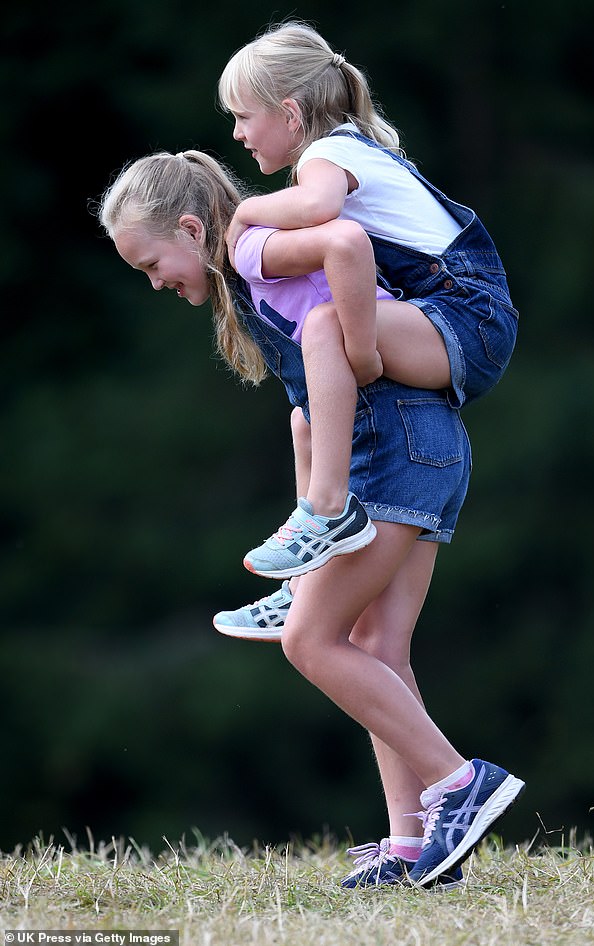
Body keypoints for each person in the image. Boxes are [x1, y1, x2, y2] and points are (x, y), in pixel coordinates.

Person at [98, 149, 525, 890]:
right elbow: (307, 420)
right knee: (377, 646)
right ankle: (412, 844)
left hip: (394, 443)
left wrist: (358, 348)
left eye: (151, 264)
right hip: (424, 444)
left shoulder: (252, 247)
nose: (155, 282)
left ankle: (459, 783)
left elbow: (347, 243)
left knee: (311, 641)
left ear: (193, 228)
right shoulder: (248, 275)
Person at [218, 20, 519, 582]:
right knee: (316, 377)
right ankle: (320, 528)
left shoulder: (326, 155)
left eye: (242, 116)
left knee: (325, 325)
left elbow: (316, 208)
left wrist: (245, 213)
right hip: (465, 320)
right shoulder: (351, 148)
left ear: (289, 114)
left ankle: (326, 508)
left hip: (466, 314)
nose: (237, 133)